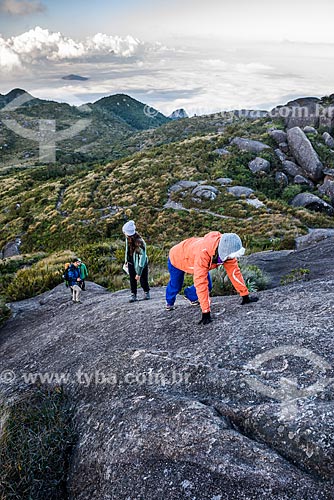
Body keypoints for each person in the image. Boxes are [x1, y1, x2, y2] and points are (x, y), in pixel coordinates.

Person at [165, 232, 258, 325]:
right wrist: (206, 311)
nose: (232, 258)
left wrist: (245, 295)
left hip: (192, 255)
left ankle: (189, 294)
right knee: (176, 284)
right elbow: (200, 282)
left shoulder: (227, 249)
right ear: (224, 252)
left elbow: (234, 273)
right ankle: (169, 302)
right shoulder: (203, 254)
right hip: (176, 258)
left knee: (208, 285)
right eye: (231, 256)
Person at [122, 220, 150, 303]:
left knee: (143, 279)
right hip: (131, 262)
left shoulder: (140, 243)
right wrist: (126, 261)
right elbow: (127, 250)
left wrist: (139, 273)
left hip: (140, 264)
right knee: (132, 279)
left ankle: (146, 292)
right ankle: (133, 294)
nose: (124, 234)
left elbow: (142, 259)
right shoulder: (128, 238)